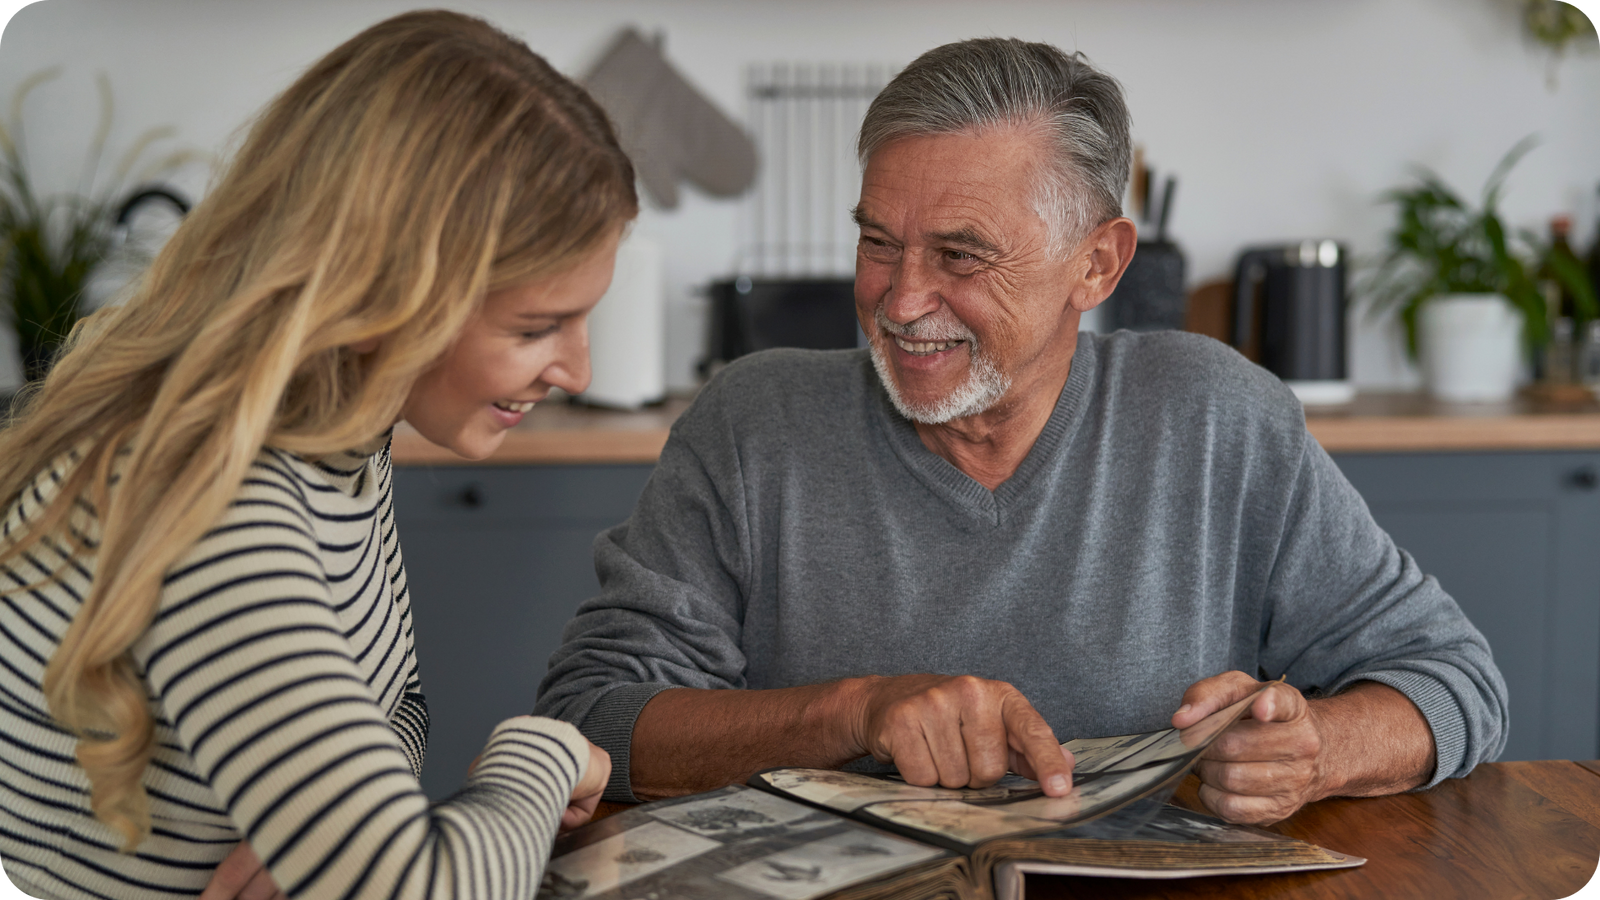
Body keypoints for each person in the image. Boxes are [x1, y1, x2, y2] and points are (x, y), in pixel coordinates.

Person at [535, 37, 1508, 826]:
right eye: (877, 241)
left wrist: (1312, 752)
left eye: (961, 254)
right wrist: (849, 712)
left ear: (1098, 264)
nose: (902, 299)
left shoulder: (1218, 419)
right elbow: (588, 718)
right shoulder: (753, 426)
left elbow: (1453, 681)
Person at [0, 11, 636, 900]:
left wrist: (318, 833)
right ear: (390, 288)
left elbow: (393, 712)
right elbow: (415, 887)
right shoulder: (215, 489)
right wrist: (540, 755)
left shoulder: (338, 433)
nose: (578, 369)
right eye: (537, 327)